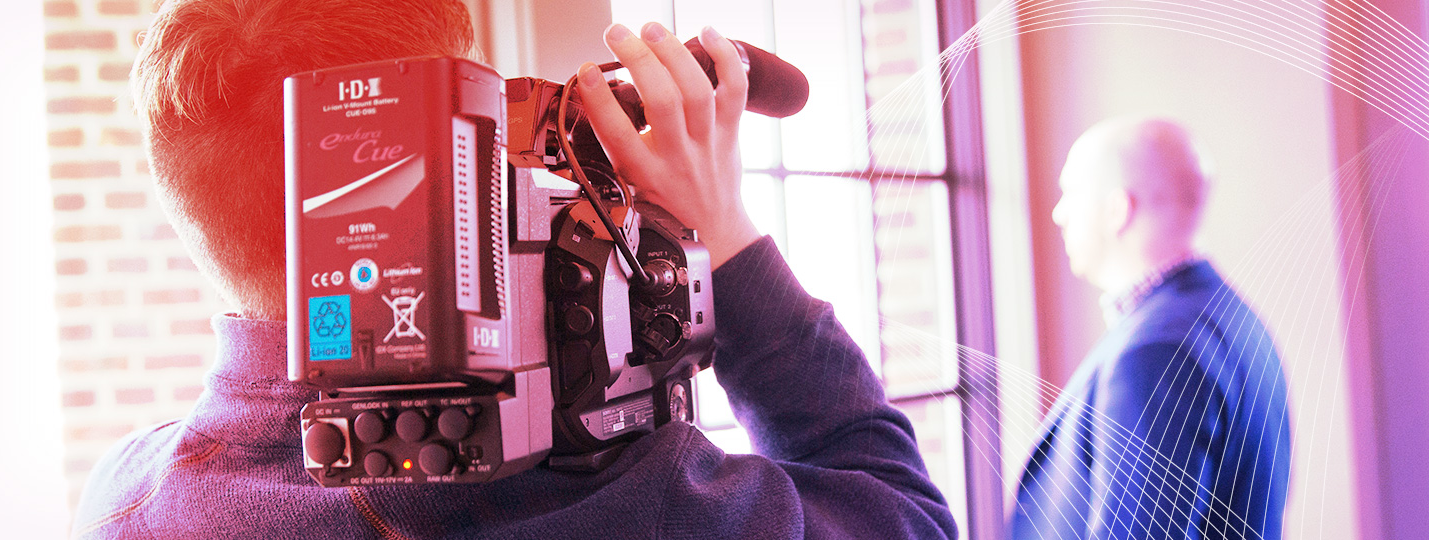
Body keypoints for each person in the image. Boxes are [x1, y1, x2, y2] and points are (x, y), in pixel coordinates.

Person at [71, 1, 960, 538]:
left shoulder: (116, 504)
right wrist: (725, 238)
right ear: (448, 149)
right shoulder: (619, 509)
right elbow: (905, 519)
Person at [1010, 116, 1292, 540]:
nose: (1058, 213)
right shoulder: (1229, 315)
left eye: (1070, 193)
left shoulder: (1153, 353)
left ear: (1116, 210)